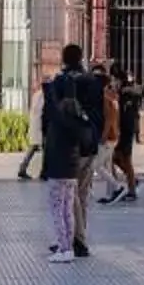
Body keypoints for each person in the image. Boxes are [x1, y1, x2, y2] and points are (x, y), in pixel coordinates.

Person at [38, 42, 106, 260]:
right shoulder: (94, 83)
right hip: (90, 141)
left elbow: (51, 115)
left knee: (70, 195)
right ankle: (78, 237)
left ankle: (72, 240)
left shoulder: (61, 82)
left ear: (64, 60)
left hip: (69, 146)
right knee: (82, 194)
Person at [101, 59, 144, 203]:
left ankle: (131, 189)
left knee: (125, 158)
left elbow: (138, 91)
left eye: (114, 79)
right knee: (115, 158)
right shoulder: (121, 90)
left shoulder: (128, 90)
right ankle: (131, 181)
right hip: (122, 127)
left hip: (127, 127)